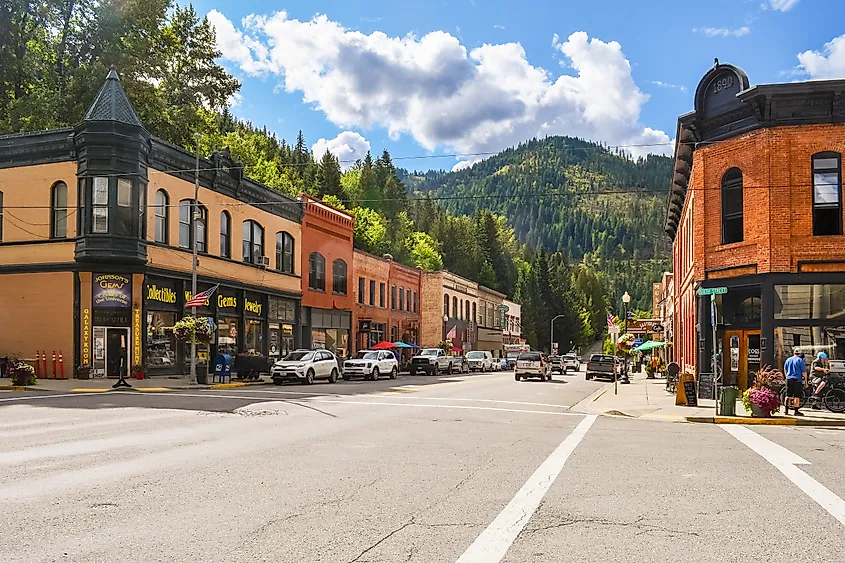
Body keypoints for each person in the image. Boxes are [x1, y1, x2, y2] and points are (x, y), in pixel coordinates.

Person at [783, 347, 808, 416]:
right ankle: (796, 411)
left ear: (794, 353)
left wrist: (787, 377)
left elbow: (785, 370)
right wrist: (806, 381)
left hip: (789, 379)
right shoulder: (800, 360)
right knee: (797, 396)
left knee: (788, 395)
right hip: (797, 379)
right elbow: (804, 373)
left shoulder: (788, 360)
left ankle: (786, 410)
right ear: (800, 354)